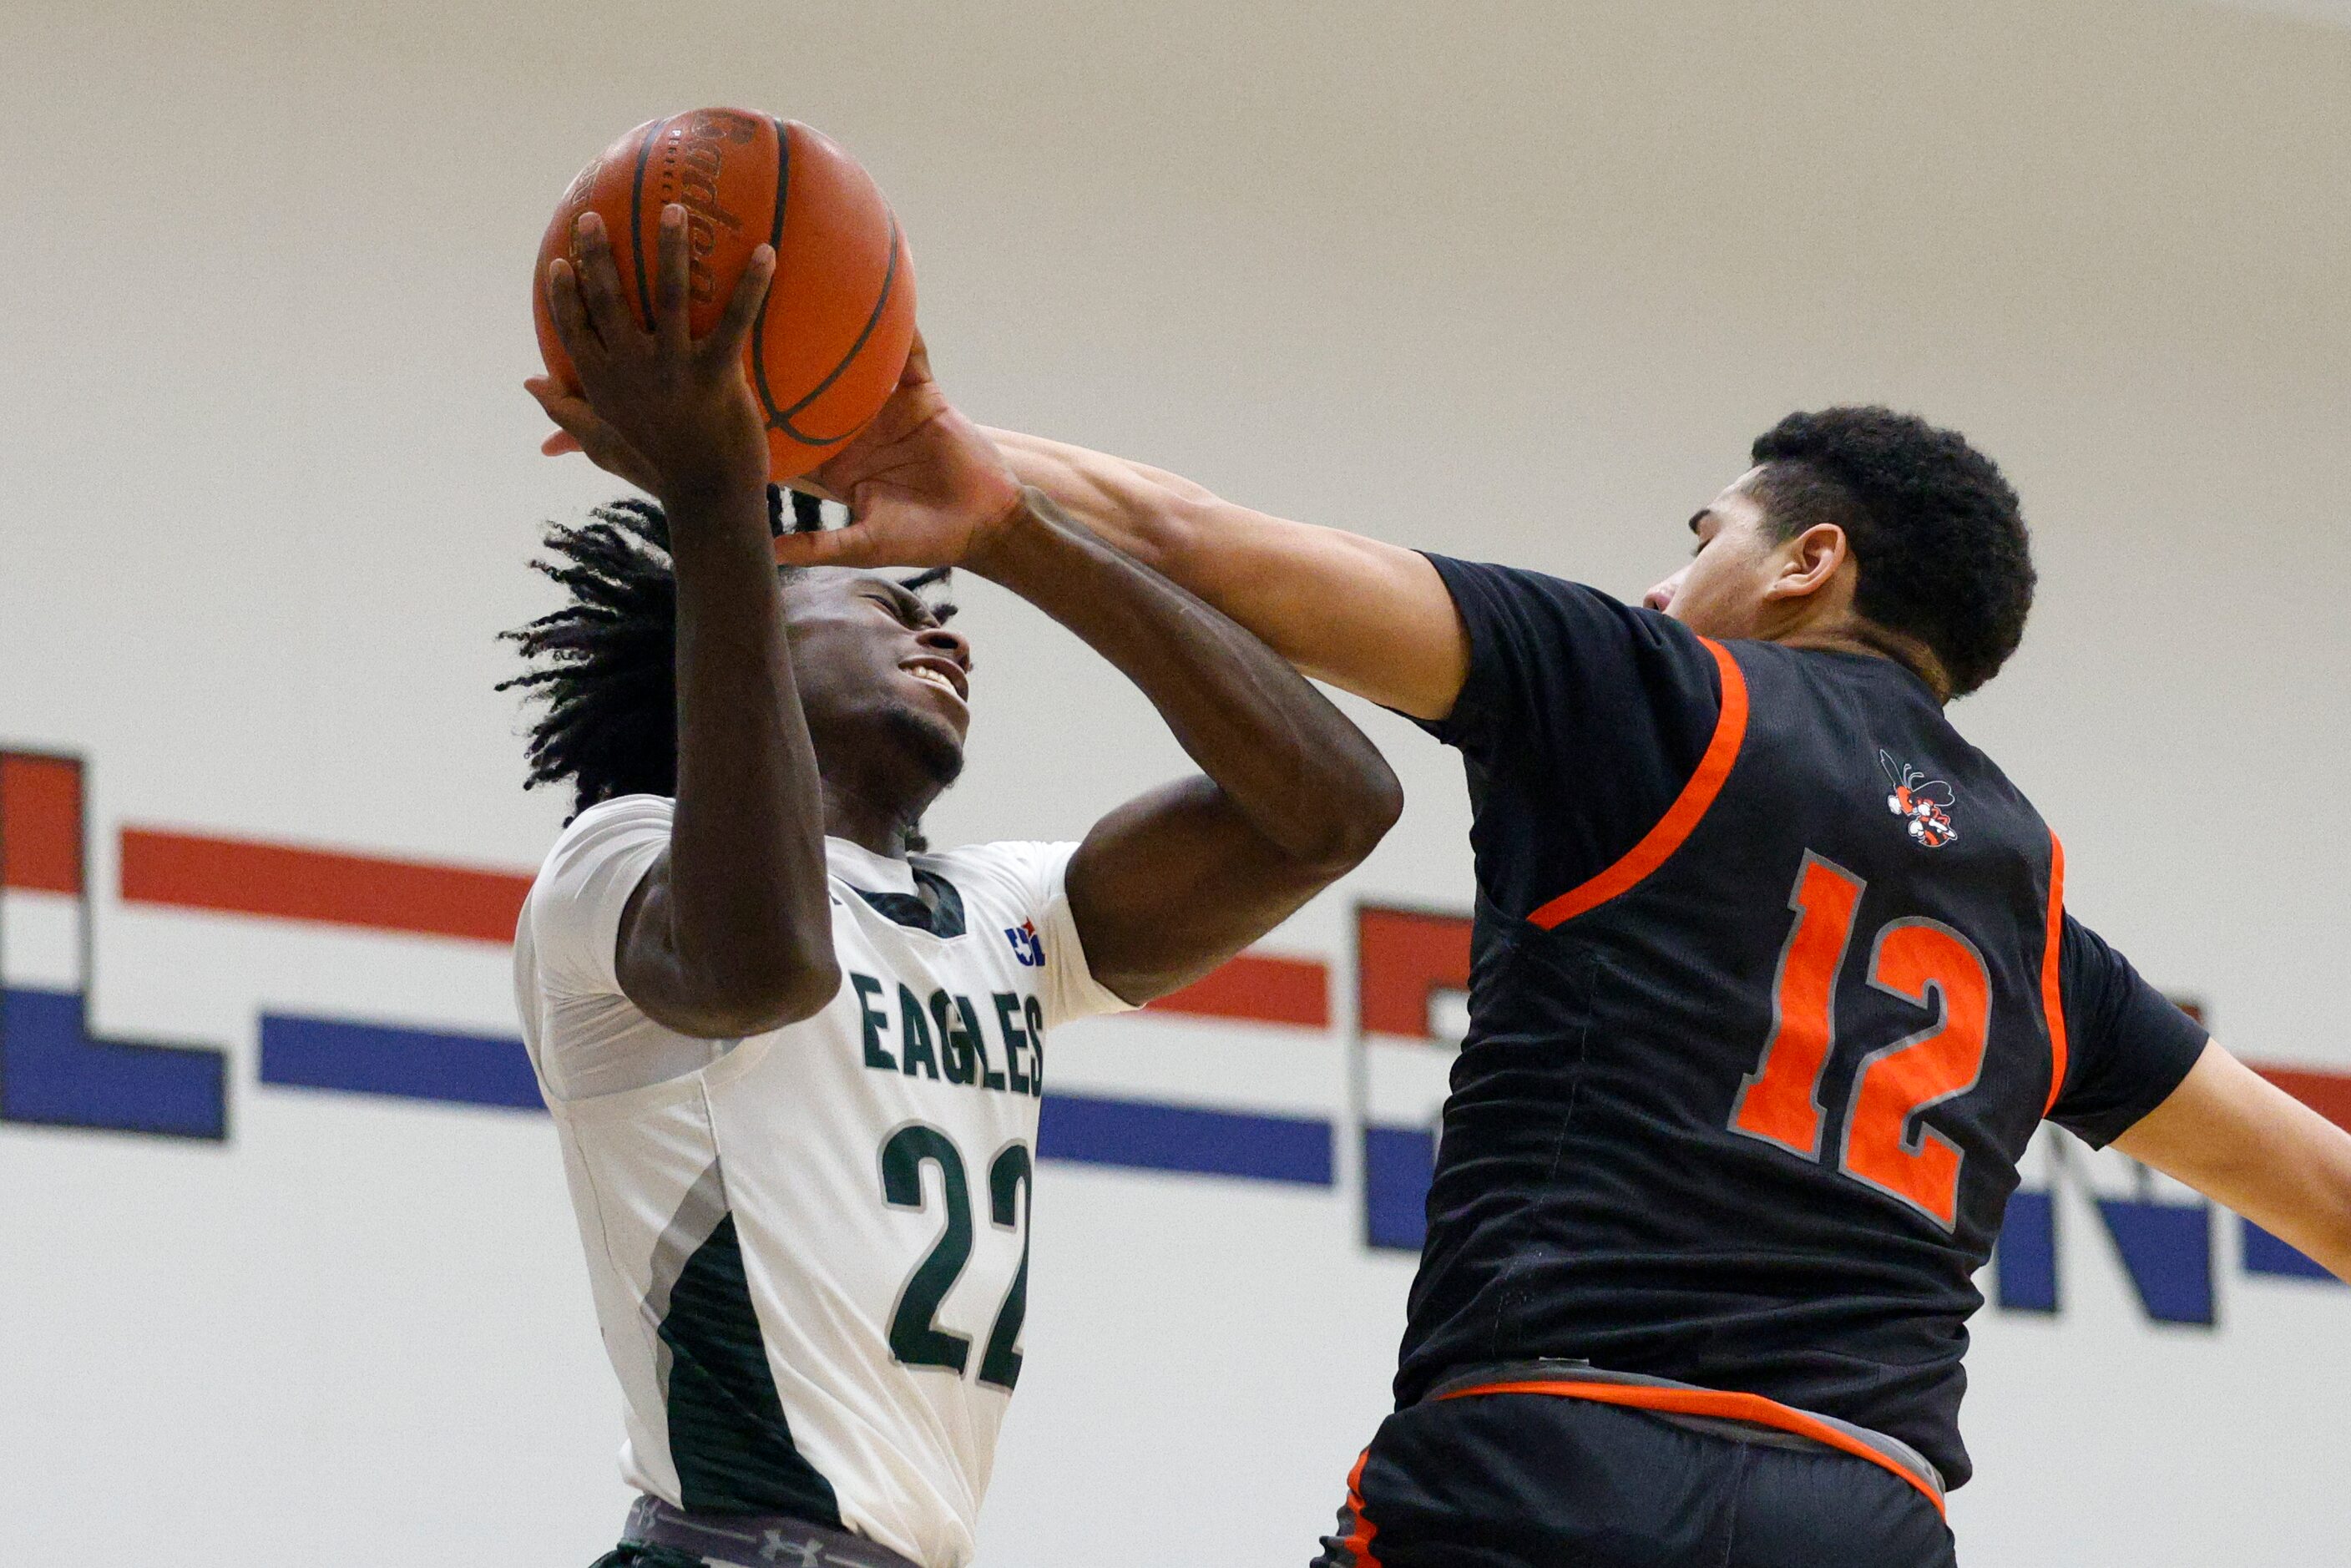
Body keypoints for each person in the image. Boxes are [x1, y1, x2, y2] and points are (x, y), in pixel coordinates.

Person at [781, 409, 2351, 1565]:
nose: (1665, 584)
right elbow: (2322, 1192)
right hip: (1867, 1513)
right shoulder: (2037, 911)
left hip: (1559, 1460)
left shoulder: (1649, 689)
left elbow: (1202, 541)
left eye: (1701, 537)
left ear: (1812, 562)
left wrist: (923, 446)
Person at [508, 205, 1401, 1568]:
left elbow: (1335, 809)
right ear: (739, 623)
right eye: (878, 600)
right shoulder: (616, 860)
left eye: (937, 595)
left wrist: (1012, 530)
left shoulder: (1005, 913)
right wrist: (712, 502)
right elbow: (765, 968)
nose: (938, 620)